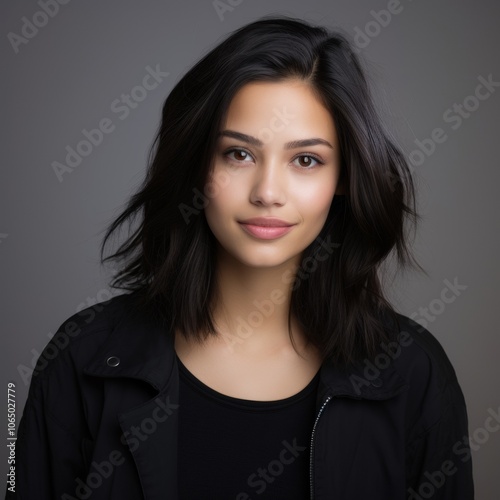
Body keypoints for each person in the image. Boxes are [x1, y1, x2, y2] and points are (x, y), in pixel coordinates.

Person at [6, 15, 474, 500]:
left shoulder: (414, 375)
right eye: (239, 154)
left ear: (343, 182)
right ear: (196, 167)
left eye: (306, 160)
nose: (268, 192)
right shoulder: (83, 359)